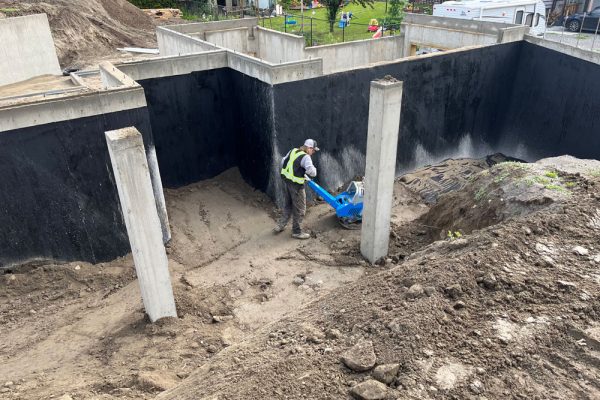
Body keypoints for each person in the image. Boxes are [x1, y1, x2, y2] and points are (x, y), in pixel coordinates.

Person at [274, 139, 320, 240]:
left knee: (288, 205)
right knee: (300, 209)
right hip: (297, 187)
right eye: (313, 150)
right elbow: (312, 173)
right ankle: (296, 231)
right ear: (309, 148)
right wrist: (311, 171)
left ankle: (280, 225)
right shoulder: (306, 157)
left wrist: (298, 173)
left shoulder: (293, 150)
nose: (313, 153)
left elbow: (283, 162)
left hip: (287, 182)